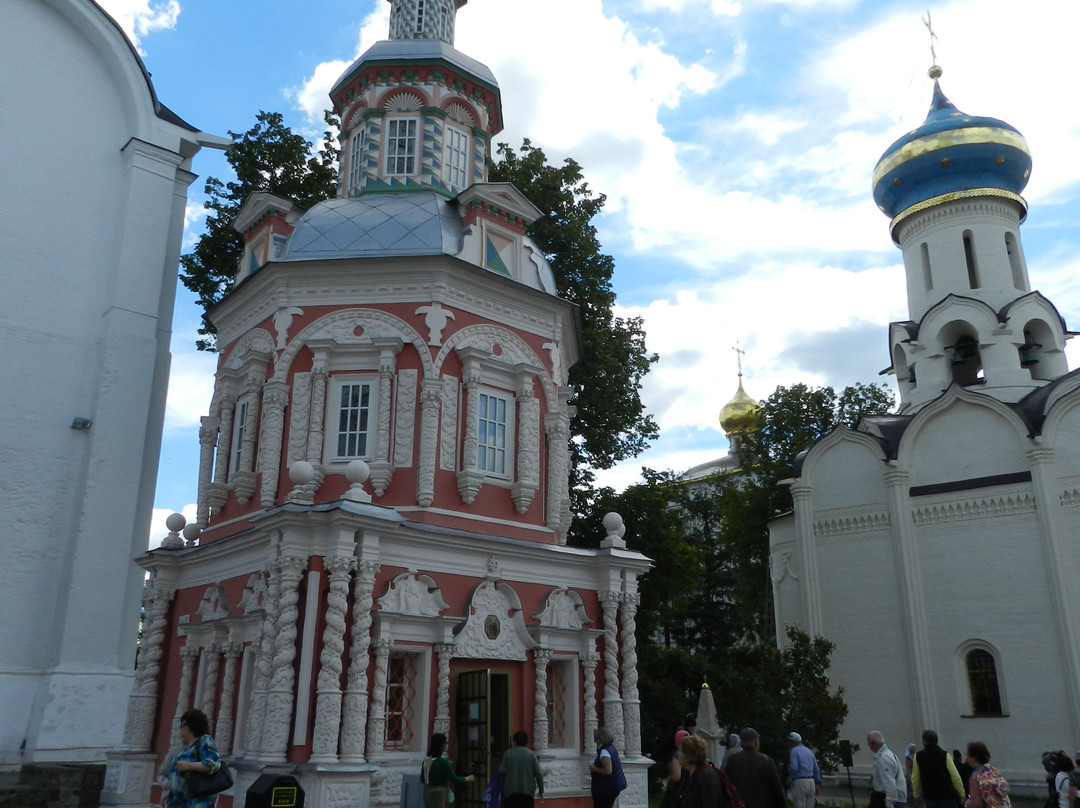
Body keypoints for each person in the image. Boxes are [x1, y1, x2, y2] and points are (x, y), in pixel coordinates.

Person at [164, 708, 224, 808]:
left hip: (196, 803)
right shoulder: (187, 748)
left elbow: (213, 763)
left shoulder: (205, 741)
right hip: (178, 802)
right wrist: (169, 794)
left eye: (183, 726)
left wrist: (189, 766)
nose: (180, 730)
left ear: (191, 726)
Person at [724, 728, 785, 808]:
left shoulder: (733, 760)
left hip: (740, 804)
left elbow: (726, 784)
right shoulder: (766, 760)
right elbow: (777, 788)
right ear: (756, 742)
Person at [912, 730, 965, 808]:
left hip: (930, 797)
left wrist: (916, 795)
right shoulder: (945, 755)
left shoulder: (918, 756)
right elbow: (955, 776)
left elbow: (915, 778)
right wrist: (962, 793)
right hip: (947, 797)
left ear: (925, 741)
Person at [422, 733, 475, 808]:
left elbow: (422, 778)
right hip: (438, 792)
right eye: (445, 743)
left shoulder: (426, 761)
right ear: (442, 745)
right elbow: (454, 779)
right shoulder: (442, 762)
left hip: (426, 791)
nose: (446, 745)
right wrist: (468, 778)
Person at [668, 735, 721, 808]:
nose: (677, 754)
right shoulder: (689, 773)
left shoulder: (707, 776)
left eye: (680, 750)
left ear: (689, 754)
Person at [499, 731, 544, 808]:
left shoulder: (508, 754)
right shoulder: (531, 754)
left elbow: (501, 771)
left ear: (514, 741)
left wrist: (501, 787)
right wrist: (541, 789)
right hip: (527, 793)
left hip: (510, 793)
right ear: (526, 742)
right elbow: (538, 773)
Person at [589, 727, 627, 808]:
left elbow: (608, 771)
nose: (595, 741)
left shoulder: (604, 752)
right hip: (612, 786)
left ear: (600, 738)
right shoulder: (611, 748)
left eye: (596, 738)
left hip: (606, 788)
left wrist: (594, 769)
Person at [867, 731, 907, 808]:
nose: (867, 744)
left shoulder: (884, 758)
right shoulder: (884, 755)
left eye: (868, 741)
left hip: (890, 799)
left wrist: (889, 804)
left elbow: (889, 782)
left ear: (873, 743)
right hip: (886, 797)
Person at [964, 742, 1010, 808]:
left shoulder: (976, 777)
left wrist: (967, 803)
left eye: (967, 756)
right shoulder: (994, 771)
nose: (967, 759)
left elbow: (976, 804)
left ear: (973, 758)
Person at [787, 732, 821, 808]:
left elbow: (794, 768)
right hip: (811, 781)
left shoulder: (794, 751)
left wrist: (789, 775)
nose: (788, 743)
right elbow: (816, 768)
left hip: (799, 781)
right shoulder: (809, 751)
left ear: (793, 742)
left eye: (789, 741)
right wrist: (817, 783)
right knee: (810, 805)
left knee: (799, 804)